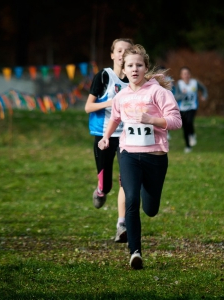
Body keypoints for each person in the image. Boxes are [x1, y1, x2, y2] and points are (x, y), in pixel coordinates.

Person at [98, 44, 182, 269]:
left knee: (150, 209)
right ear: (123, 70)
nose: (134, 69)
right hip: (129, 154)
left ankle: (148, 196)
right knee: (131, 199)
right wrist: (106, 138)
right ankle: (135, 252)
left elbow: (176, 121)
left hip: (155, 156)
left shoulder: (159, 92)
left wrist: (152, 120)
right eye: (130, 65)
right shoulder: (121, 96)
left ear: (145, 68)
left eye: (139, 65)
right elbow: (115, 118)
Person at [84, 38, 134, 243]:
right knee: (107, 185)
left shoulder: (135, 78)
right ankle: (101, 190)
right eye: (119, 50)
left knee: (127, 181)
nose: (122, 54)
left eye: (127, 51)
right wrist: (112, 102)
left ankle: (121, 225)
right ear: (112, 55)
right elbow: (88, 107)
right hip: (103, 135)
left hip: (127, 137)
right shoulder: (104, 76)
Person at [174, 66, 208, 153]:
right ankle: (188, 146)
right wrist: (182, 94)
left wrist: (204, 96)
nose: (186, 75)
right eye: (184, 74)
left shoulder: (195, 82)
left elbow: (204, 89)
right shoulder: (179, 84)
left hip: (192, 106)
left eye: (188, 73)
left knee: (189, 122)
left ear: (190, 74)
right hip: (182, 108)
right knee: (185, 127)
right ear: (181, 75)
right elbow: (175, 97)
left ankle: (192, 135)